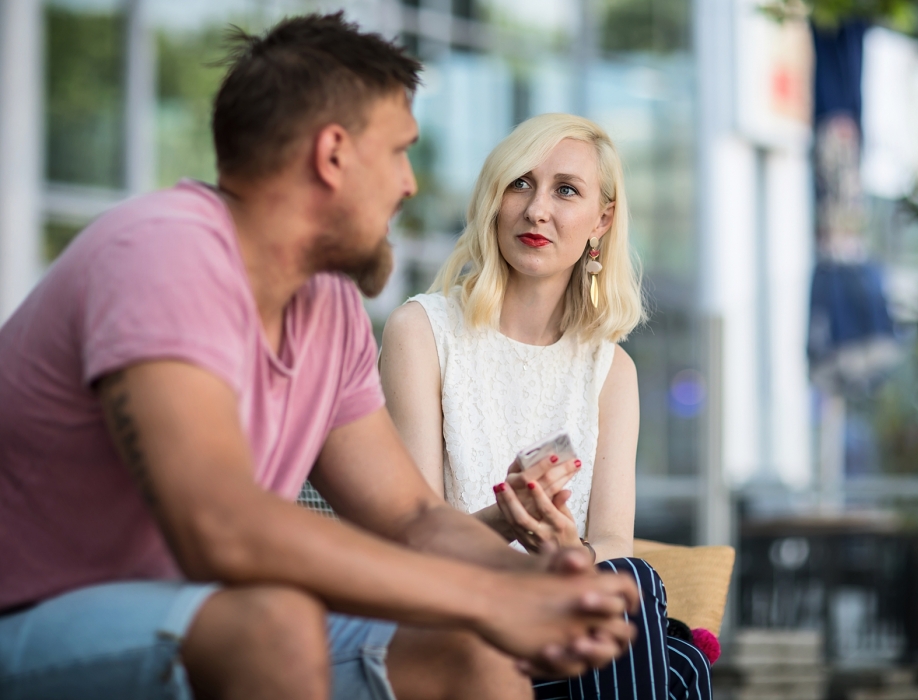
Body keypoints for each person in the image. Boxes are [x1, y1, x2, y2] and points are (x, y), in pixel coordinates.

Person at [0, 15, 642, 700]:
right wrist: (482, 598)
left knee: (469, 652)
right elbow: (222, 527)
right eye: (400, 153)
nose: (409, 185)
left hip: (200, 618)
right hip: (34, 617)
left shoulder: (328, 309)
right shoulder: (163, 255)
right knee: (273, 624)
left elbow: (412, 519)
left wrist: (536, 588)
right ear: (333, 155)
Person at [380, 113, 713, 699]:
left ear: (601, 221)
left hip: (565, 626)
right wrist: (506, 519)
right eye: (520, 184)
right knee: (677, 662)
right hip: (464, 619)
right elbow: (414, 540)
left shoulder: (611, 371)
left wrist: (569, 550)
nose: (537, 210)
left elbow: (612, 539)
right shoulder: (422, 332)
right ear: (494, 200)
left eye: (566, 190)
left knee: (634, 591)